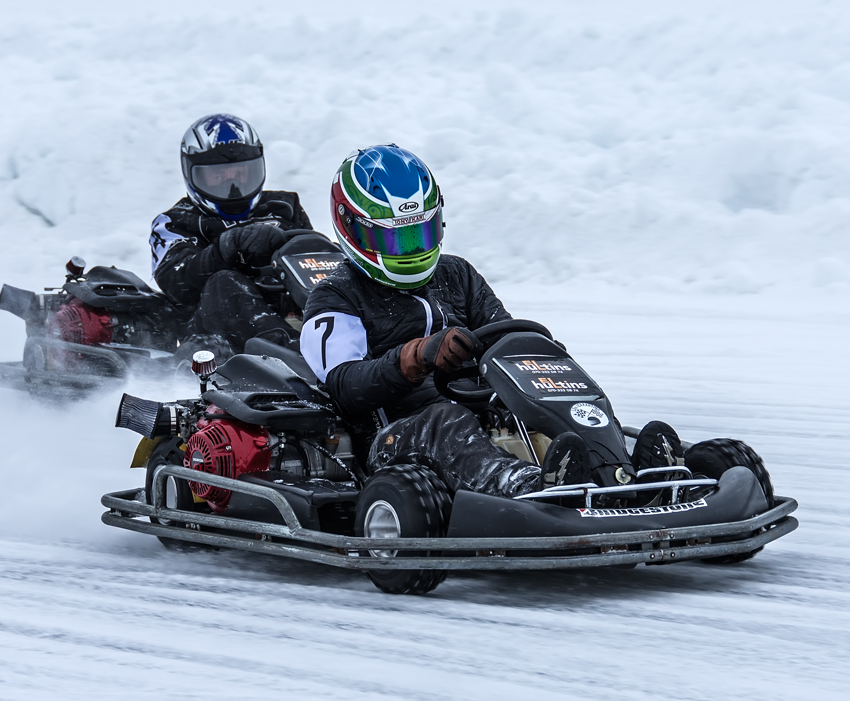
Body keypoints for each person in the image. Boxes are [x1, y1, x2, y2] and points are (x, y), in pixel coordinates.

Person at [299, 144, 684, 498]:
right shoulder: (335, 295)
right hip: (395, 438)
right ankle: (530, 488)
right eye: (399, 240)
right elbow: (344, 386)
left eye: (422, 232)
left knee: (547, 403)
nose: (414, 250)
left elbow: (507, 343)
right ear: (353, 230)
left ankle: (624, 474)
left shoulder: (457, 275)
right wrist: (419, 356)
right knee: (444, 420)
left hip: (482, 416)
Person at [150, 113, 314, 350]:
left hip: (292, 309)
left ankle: (371, 344)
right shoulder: (175, 222)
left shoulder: (285, 207)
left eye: (240, 174)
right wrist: (227, 247)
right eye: (218, 176)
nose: (233, 186)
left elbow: (315, 262)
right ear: (192, 173)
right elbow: (176, 283)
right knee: (224, 282)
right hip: (212, 334)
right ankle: (299, 354)